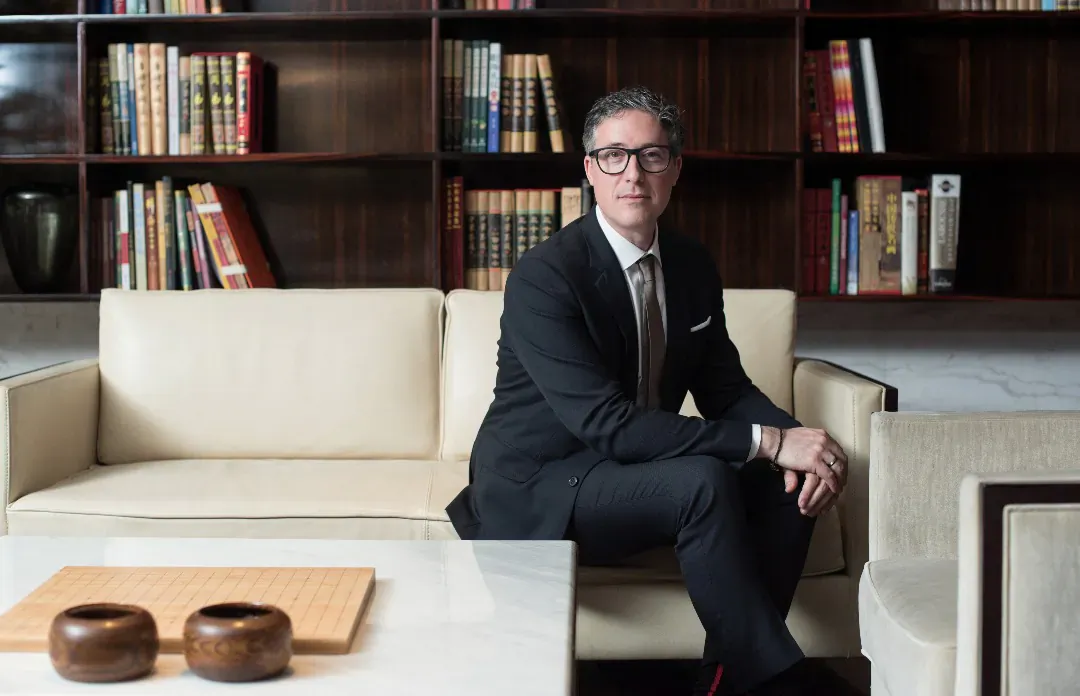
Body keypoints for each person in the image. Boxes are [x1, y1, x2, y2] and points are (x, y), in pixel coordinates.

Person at [445, 86, 858, 696]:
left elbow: (725, 387)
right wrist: (768, 440)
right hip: (545, 483)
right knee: (704, 479)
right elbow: (607, 426)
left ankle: (724, 677)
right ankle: (777, 680)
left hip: (636, 471)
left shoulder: (691, 266)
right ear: (590, 170)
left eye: (651, 156)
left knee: (782, 479)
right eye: (613, 156)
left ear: (675, 169)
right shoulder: (545, 275)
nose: (632, 173)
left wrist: (799, 444)